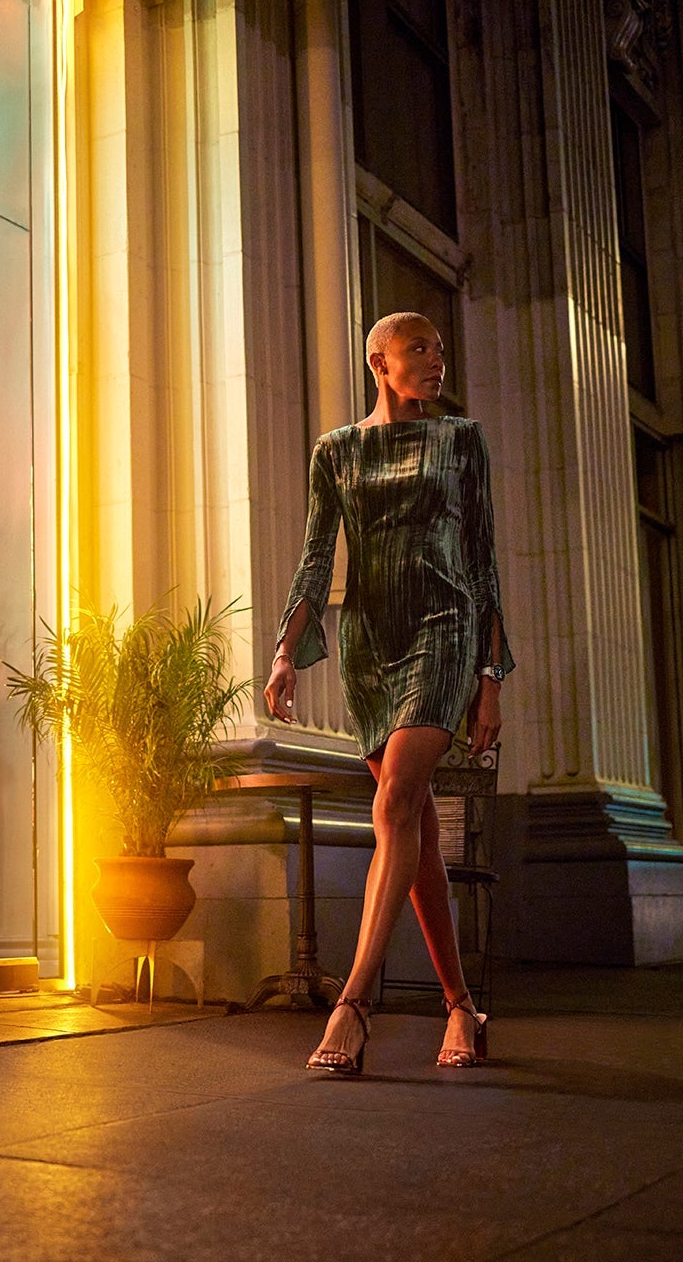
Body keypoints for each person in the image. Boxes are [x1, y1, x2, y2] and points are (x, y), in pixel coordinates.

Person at [267, 311, 513, 1073]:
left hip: (445, 628)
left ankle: (353, 1002)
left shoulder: (461, 441)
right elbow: (315, 559)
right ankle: (462, 1007)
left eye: (440, 347)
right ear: (379, 362)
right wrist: (286, 651)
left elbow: (481, 561)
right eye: (418, 349)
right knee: (415, 831)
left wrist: (490, 679)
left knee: (395, 802)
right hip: (373, 647)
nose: (437, 360)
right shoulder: (336, 451)